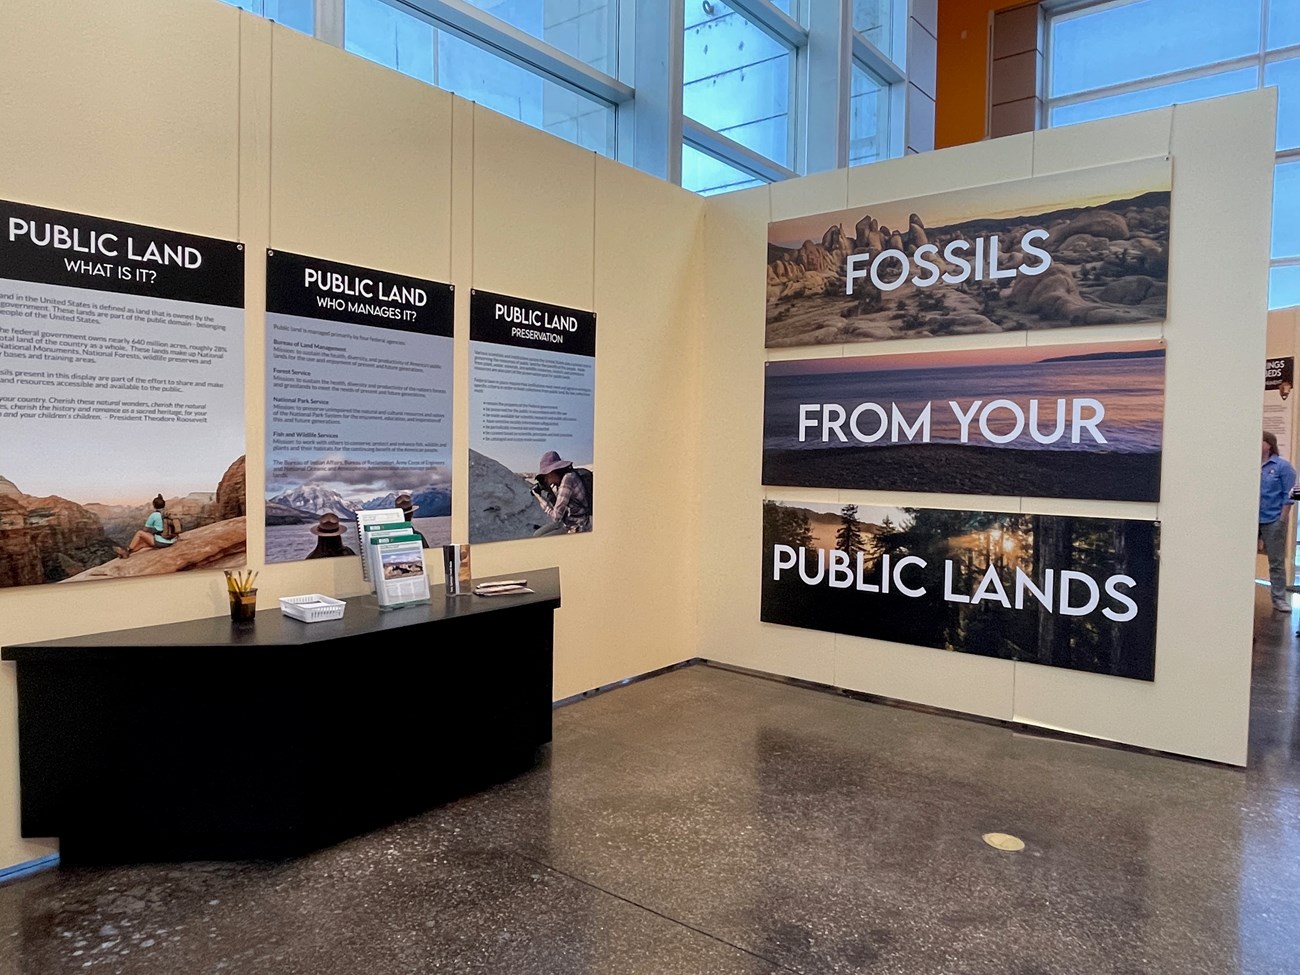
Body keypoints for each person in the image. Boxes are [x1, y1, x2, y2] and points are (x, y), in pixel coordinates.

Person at [1259, 431, 1296, 612]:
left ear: (1268, 444)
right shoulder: (1251, 466)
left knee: (1276, 561)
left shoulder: (1282, 466)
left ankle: (1279, 599)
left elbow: (1288, 495)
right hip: (1251, 520)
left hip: (1272, 519)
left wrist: (1282, 519)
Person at [531, 450, 591, 536]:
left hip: (578, 525)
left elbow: (556, 517)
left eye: (546, 476)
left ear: (552, 472)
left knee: (541, 540)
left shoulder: (567, 480)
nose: (546, 480)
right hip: (568, 521)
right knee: (537, 534)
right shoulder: (569, 476)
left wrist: (539, 498)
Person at [114, 493, 176, 558]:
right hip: (170, 541)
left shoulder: (154, 515)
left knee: (139, 533)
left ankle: (127, 549)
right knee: (143, 544)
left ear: (154, 505)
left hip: (161, 541)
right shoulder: (167, 514)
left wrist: (151, 528)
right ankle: (126, 553)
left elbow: (145, 530)